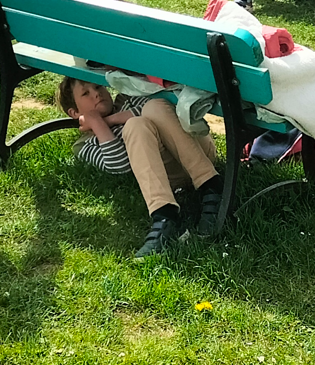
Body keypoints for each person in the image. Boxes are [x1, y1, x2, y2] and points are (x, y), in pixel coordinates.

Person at [57, 77, 225, 257]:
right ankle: (164, 215)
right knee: (134, 125)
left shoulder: (126, 99)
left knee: (154, 107)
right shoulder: (85, 145)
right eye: (86, 93)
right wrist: (98, 125)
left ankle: (211, 186)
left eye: (97, 86)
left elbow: (161, 106)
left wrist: (112, 119)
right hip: (171, 175)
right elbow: (120, 164)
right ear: (74, 112)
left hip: (198, 152)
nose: (96, 93)